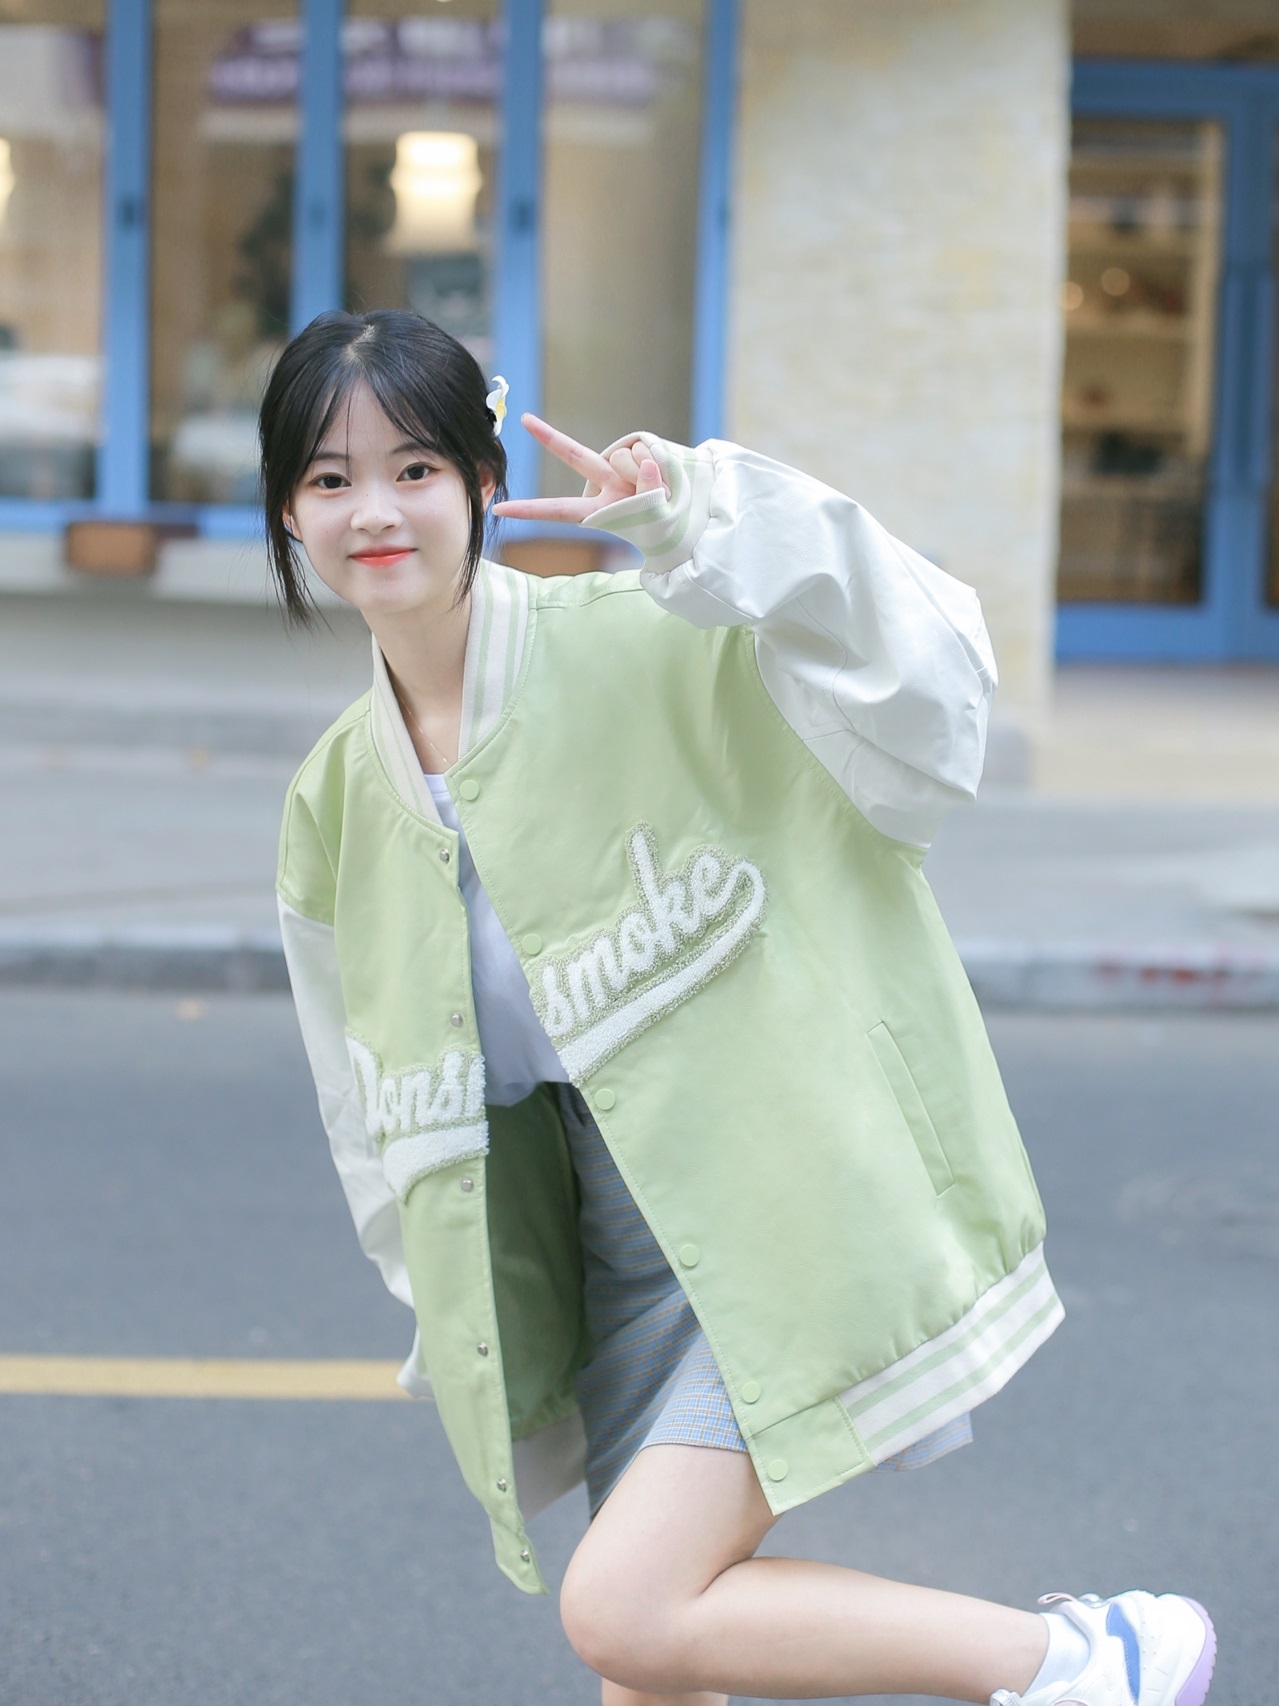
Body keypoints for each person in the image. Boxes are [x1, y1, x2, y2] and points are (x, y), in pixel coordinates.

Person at [261, 308, 1216, 1706]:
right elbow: (368, 1097)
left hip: (775, 1195)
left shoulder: (656, 640)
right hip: (601, 1240)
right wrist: (450, 1301)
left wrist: (717, 523)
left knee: (629, 1608)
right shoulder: (337, 798)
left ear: (483, 481)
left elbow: (928, 690)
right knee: (656, 1666)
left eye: (414, 468)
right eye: (331, 478)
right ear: (289, 515)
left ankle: (1079, 1660)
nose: (376, 511)